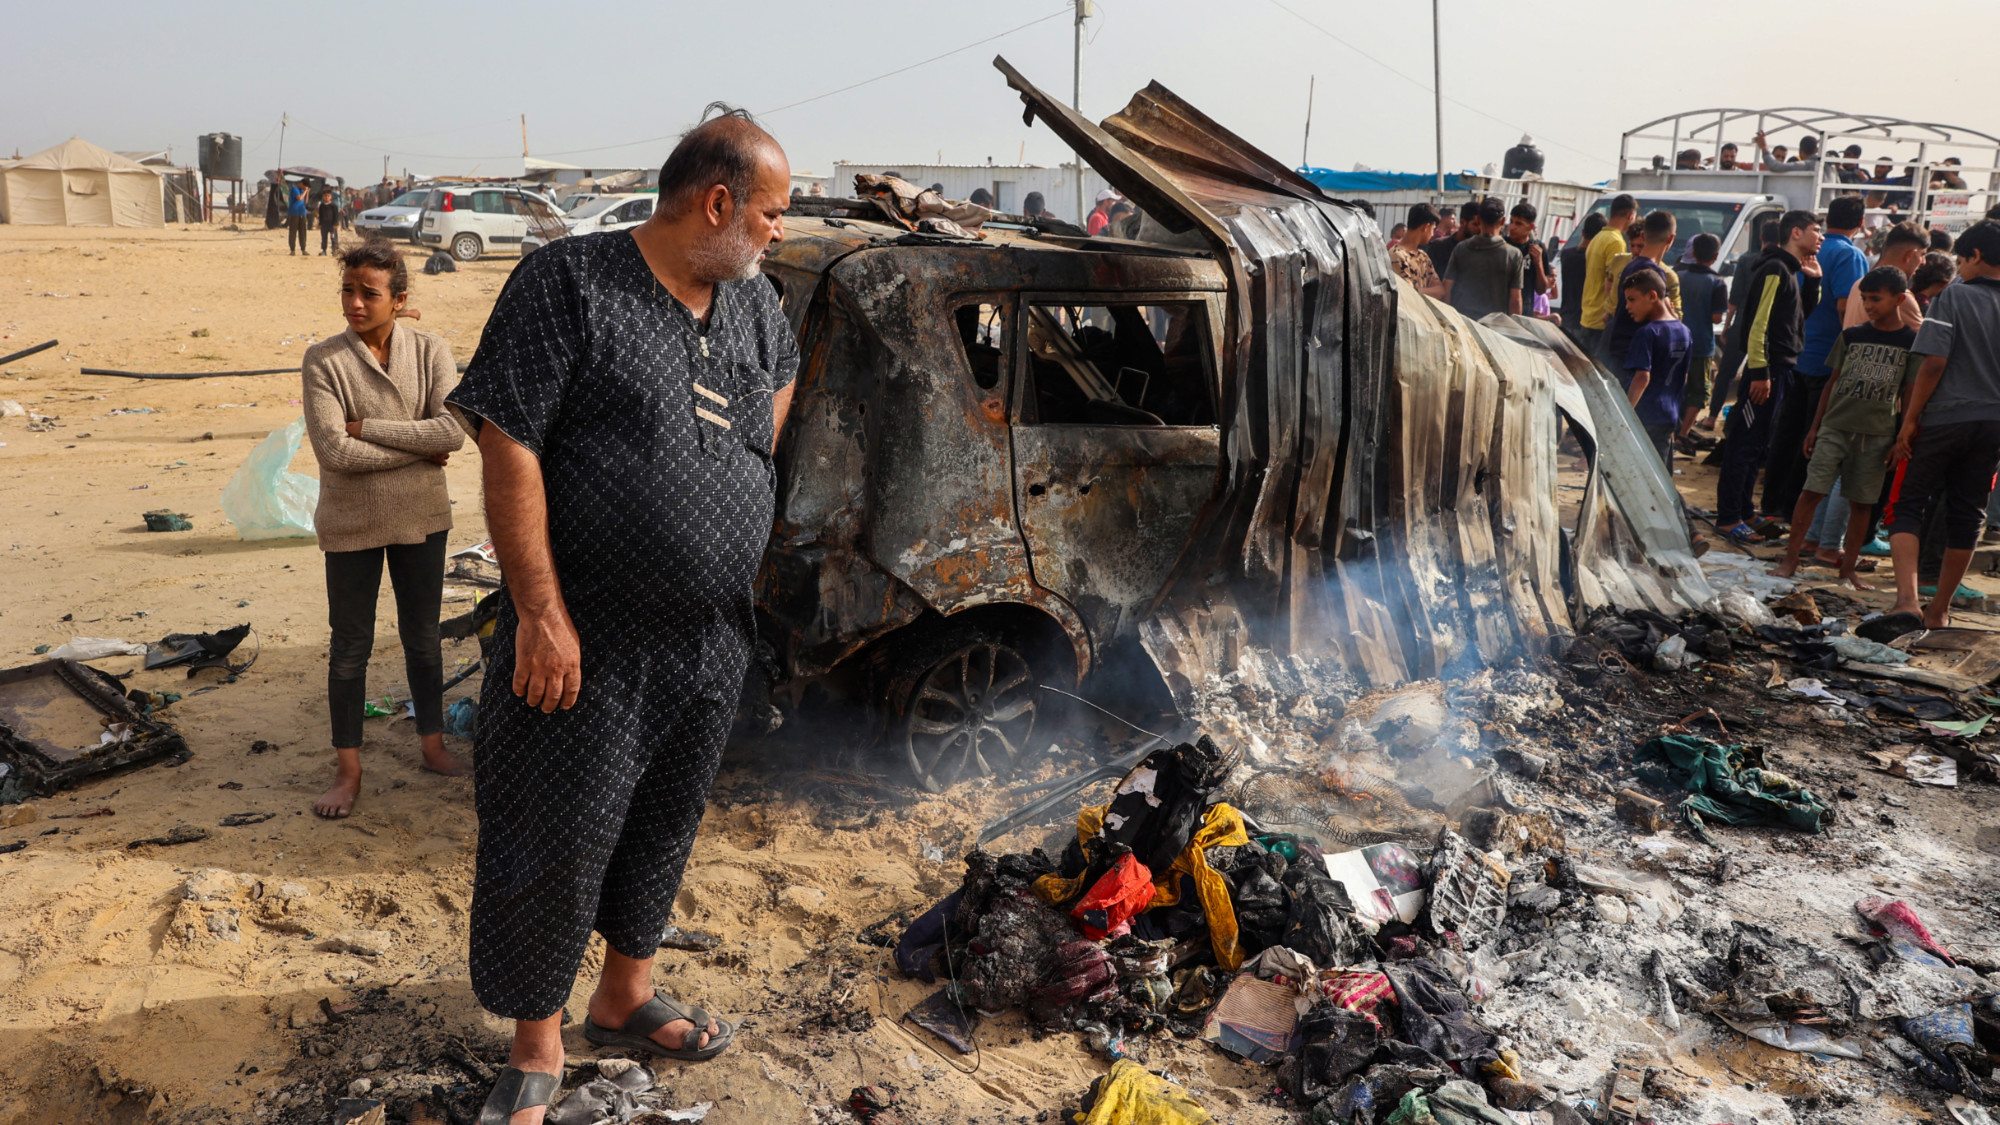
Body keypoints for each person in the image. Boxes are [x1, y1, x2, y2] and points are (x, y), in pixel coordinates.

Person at [444, 103, 797, 1124]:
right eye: (770, 212)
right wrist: (539, 612)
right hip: (586, 635)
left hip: (710, 634)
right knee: (556, 832)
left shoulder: (754, 304)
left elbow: (771, 407)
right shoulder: (569, 283)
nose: (779, 231)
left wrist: (713, 503)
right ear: (717, 203)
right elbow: (507, 440)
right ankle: (537, 1041)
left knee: (662, 824)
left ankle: (623, 996)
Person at [300, 240, 470, 818]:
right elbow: (334, 452)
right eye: (347, 291)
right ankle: (348, 770)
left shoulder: (430, 350)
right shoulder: (324, 360)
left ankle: (433, 746)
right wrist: (417, 451)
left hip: (421, 517)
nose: (354, 303)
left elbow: (453, 432)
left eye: (368, 293)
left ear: (399, 300)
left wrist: (368, 426)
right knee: (351, 646)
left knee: (422, 638)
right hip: (351, 521)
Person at [1774, 266, 1923, 586]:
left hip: (1878, 435)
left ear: (1899, 300)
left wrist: (1902, 434)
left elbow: (1909, 392)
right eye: (1865, 298)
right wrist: (1815, 427)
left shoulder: (1911, 343)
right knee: (1811, 491)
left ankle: (1848, 568)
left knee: (1862, 503)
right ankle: (1790, 559)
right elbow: (1832, 382)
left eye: (1875, 299)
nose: (1868, 305)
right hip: (1835, 427)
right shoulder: (1852, 336)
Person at [1886, 221, 2000, 628]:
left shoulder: (1955, 296)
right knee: (1968, 514)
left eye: (1962, 260)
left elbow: (1933, 363)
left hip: (1945, 418)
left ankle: (1907, 601)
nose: (1959, 267)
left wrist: (1910, 419)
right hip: (1993, 424)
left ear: (1975, 257)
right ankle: (1940, 610)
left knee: (1908, 504)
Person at [1715, 209, 1823, 540]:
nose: (1820, 237)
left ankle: (1745, 510)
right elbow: (1758, 324)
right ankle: (1729, 517)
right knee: (1744, 443)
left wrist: (1813, 281)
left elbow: (1796, 319)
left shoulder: (1789, 270)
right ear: (1795, 233)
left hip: (1781, 369)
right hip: (1767, 371)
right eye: (1816, 230)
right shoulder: (1774, 268)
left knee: (1758, 443)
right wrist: (1760, 371)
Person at [1765, 196, 1866, 523]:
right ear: (1860, 223)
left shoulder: (1812, 249)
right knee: (1812, 439)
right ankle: (1793, 510)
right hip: (1826, 361)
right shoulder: (1850, 255)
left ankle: (1772, 503)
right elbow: (1846, 307)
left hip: (1797, 355)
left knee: (1787, 433)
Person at [1702, 218, 1781, 431]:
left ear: (1761, 237)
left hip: (1743, 324)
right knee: (1759, 374)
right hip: (1768, 328)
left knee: (1726, 373)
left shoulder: (1747, 261)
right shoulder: (1783, 264)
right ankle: (1747, 422)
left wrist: (1728, 325)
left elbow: (1735, 298)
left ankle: (1712, 417)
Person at [1619, 270, 1693, 470]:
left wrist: (1624, 414)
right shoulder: (1684, 332)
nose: (1627, 306)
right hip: (1668, 415)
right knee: (1662, 474)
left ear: (1652, 296)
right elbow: (1684, 377)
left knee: (1643, 475)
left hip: (1645, 416)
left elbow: (1642, 377)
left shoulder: (1647, 333)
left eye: (1632, 299)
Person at [1600, 209, 1679, 372]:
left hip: (1621, 349)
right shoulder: (1654, 273)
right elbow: (1666, 320)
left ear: (1642, 236)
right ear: (1671, 239)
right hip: (1638, 357)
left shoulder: (1630, 266)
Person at [1676, 233, 1728, 446]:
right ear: (1715, 257)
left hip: (1676, 342)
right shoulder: (1717, 282)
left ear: (1694, 253)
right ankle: (1683, 434)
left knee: (1676, 387)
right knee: (1699, 392)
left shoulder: (1678, 276)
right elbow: (1717, 317)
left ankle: (1673, 431)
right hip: (1701, 345)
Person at [1443, 197, 1523, 320]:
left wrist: (1449, 320)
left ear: (1478, 220)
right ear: (1503, 221)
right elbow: (1515, 299)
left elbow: (1447, 288)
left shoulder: (1461, 248)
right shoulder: (1513, 254)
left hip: (1462, 323)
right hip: (1495, 326)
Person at [1578, 194, 1637, 356]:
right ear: (1630, 215)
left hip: (1588, 315)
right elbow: (1613, 282)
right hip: (1602, 319)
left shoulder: (1597, 238)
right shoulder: (1616, 241)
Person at [1560, 212, 1606, 342]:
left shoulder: (1566, 255)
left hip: (1567, 318)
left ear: (1583, 232)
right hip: (1587, 321)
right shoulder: (1595, 260)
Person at [1505, 202, 1552, 316]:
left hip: (1525, 313)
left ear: (1530, 227)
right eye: (1511, 222)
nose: (1512, 227)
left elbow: (1541, 290)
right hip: (1500, 311)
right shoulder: (1503, 245)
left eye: (1519, 223)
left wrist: (1538, 263)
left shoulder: (1537, 248)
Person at [1391, 203, 1447, 299]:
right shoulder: (1397, 255)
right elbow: (1407, 294)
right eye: (1433, 229)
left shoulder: (1422, 256)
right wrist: (1423, 291)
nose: (1432, 234)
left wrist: (1417, 290)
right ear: (1426, 227)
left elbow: (1440, 291)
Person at [1425, 199, 1479, 278]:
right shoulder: (1440, 246)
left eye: (1482, 225)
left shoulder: (1481, 251)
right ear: (1463, 222)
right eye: (1475, 224)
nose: (1479, 229)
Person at [287, 180, 311, 256]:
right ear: (301, 183)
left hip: (302, 213)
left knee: (303, 232)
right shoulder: (294, 189)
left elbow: (305, 202)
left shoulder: (302, 190)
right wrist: (305, 191)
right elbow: (299, 198)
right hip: (294, 213)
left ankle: (303, 249)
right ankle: (292, 249)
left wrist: (307, 192)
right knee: (293, 231)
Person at [317, 190, 342, 256]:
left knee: (333, 238)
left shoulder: (334, 205)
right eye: (325, 196)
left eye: (328, 196)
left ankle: (334, 250)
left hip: (332, 225)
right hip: (324, 225)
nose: (327, 197)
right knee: (324, 238)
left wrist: (335, 224)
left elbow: (336, 215)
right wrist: (320, 223)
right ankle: (324, 250)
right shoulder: (322, 205)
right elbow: (320, 215)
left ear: (331, 197)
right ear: (323, 196)